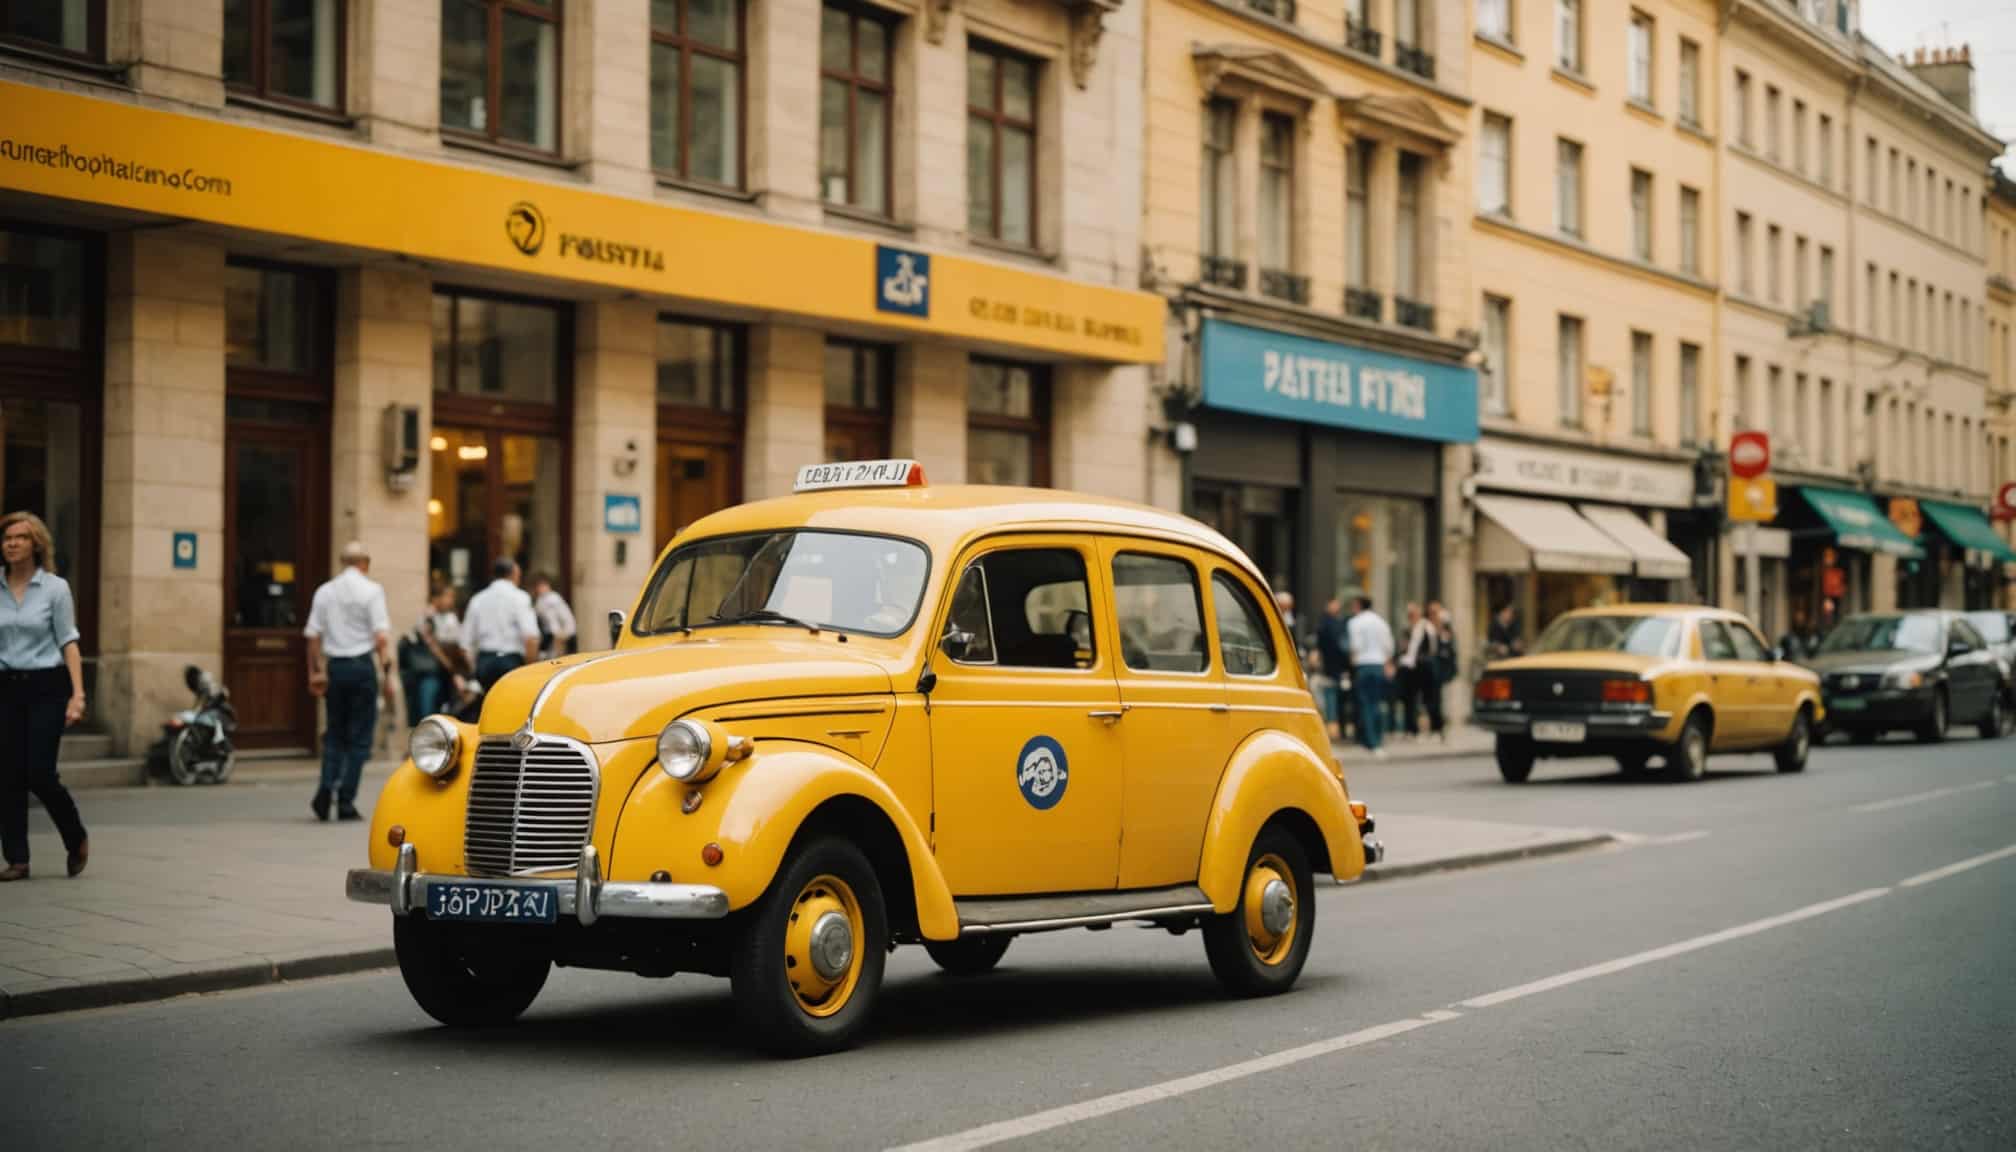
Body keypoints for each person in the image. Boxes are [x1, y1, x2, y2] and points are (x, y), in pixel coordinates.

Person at [0, 512, 89, 881]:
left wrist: (77, 695)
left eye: (20, 537)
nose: (12, 543)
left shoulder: (55, 588)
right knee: (7, 775)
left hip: (47, 687)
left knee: (39, 771)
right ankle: (18, 859)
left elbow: (68, 641)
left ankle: (75, 836)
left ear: (36, 544)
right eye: (7, 538)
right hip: (6, 687)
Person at [304, 540, 393, 823]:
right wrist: (387, 673)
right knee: (359, 739)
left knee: (335, 733)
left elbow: (313, 636)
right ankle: (345, 800)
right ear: (364, 563)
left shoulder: (325, 591)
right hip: (361, 667)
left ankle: (325, 788)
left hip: (337, 668)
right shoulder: (372, 590)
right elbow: (381, 638)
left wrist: (315, 671)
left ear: (343, 562)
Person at [461, 557, 541, 689]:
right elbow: (531, 638)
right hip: (511, 663)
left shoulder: (477, 599)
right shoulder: (520, 597)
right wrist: (530, 668)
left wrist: (475, 669)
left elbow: (465, 644)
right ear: (514, 574)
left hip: (485, 663)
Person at [400, 580, 464, 725]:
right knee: (428, 714)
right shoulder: (428, 617)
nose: (451, 601)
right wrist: (453, 671)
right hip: (430, 672)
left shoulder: (449, 617)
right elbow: (433, 646)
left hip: (442, 672)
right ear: (436, 598)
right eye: (448, 596)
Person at [1346, 596, 1396, 759]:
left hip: (1363, 664)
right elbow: (1388, 644)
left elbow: (1355, 645)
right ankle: (1378, 738)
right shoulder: (1381, 622)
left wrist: (1352, 661)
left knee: (1365, 703)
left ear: (1359, 605)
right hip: (1379, 664)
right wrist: (1388, 662)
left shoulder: (1355, 623)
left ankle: (1370, 741)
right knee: (1376, 703)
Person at [1400, 602, 1447, 740]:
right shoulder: (1407, 630)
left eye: (1413, 614)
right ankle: (1411, 729)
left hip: (1425, 668)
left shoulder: (1427, 627)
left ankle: (1436, 728)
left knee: (1431, 699)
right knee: (1410, 700)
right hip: (1411, 668)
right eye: (1410, 615)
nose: (1411, 617)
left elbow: (1433, 648)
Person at [1315, 597, 1352, 742]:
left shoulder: (1327, 623)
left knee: (1334, 698)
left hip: (1332, 667)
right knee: (1334, 698)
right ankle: (1335, 730)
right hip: (1336, 667)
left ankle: (1335, 730)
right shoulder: (1333, 624)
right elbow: (1340, 646)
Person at [529, 572, 577, 660]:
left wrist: (563, 636)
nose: (539, 589)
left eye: (542, 585)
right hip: (548, 638)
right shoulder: (540, 600)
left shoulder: (553, 598)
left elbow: (567, 619)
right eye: (538, 586)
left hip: (557, 637)